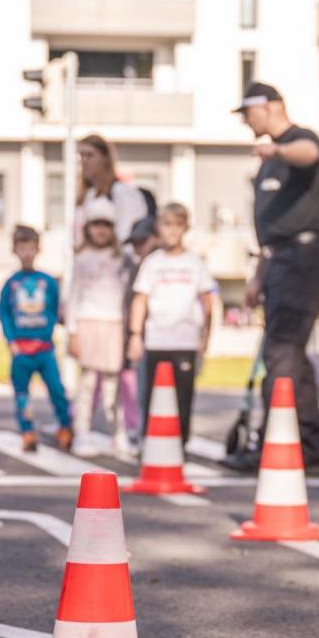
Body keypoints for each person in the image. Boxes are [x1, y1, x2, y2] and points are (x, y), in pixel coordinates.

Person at [223, 82, 319, 476]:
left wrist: (279, 150)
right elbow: (270, 232)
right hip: (277, 260)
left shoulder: (297, 141)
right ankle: (307, 449)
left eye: (248, 113)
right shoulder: (267, 162)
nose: (246, 122)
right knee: (292, 356)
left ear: (270, 107)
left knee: (281, 353)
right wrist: (258, 276)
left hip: (302, 258)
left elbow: (310, 153)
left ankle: (275, 444)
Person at [74, 134, 150, 452]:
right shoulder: (87, 197)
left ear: (106, 157)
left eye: (90, 155)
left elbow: (132, 241)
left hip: (118, 306)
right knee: (88, 379)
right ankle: (83, 427)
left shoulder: (123, 194)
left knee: (118, 378)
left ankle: (126, 428)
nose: (85, 162)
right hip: (91, 313)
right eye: (81, 156)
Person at [128, 203, 217, 445]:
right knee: (151, 396)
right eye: (167, 224)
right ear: (158, 227)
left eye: (178, 225)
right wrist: (135, 336)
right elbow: (140, 300)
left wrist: (205, 337)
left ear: (186, 227)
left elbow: (208, 303)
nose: (172, 230)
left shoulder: (194, 263)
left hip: (185, 341)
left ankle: (180, 444)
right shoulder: (152, 263)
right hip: (156, 341)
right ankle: (150, 442)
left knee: (183, 398)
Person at [0, 225, 72, 453]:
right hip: (21, 350)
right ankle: (27, 431)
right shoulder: (11, 283)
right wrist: (11, 341)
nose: (27, 253)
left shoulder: (47, 281)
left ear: (38, 248)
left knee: (57, 390)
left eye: (31, 248)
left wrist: (50, 331)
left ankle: (65, 426)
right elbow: (4, 314)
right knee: (22, 394)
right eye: (22, 248)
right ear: (14, 250)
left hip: (45, 349)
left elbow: (55, 309)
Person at [66, 196, 129, 458]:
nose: (101, 230)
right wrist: (72, 331)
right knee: (88, 383)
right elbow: (73, 296)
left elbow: (126, 296)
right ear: (88, 228)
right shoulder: (81, 258)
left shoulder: (121, 258)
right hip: (88, 321)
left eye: (106, 225)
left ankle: (119, 433)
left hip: (114, 323)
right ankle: (82, 431)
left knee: (113, 386)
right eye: (96, 224)